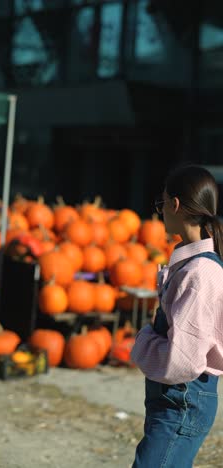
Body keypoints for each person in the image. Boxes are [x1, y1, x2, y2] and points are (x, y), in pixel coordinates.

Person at [131, 163, 223, 468]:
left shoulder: (199, 273)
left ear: (175, 205)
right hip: (177, 399)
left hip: (182, 399)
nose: (160, 213)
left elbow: (181, 360)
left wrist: (143, 342)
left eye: (161, 204)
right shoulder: (191, 265)